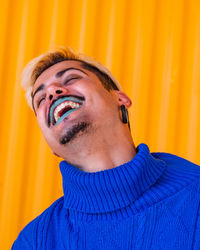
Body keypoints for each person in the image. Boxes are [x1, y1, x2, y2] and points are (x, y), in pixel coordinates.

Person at [12, 47, 200, 249]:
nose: (51, 92)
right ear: (51, 146)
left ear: (120, 99)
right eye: (40, 99)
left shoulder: (194, 193)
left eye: (71, 78)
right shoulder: (34, 242)